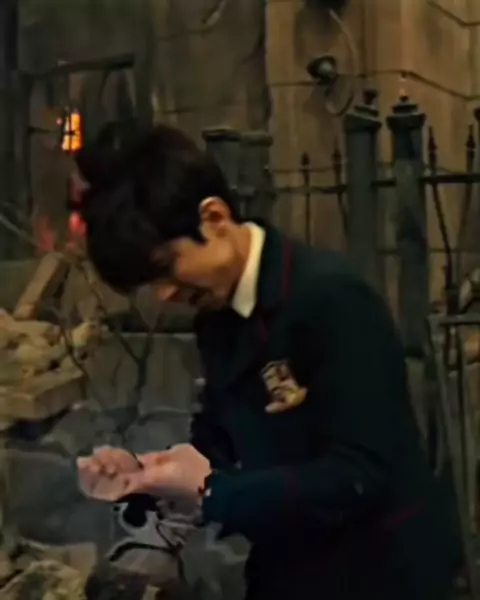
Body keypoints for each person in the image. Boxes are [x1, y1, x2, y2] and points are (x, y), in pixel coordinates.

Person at [75, 124, 461, 600]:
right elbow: (218, 439)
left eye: (165, 268)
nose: (164, 294)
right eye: (148, 285)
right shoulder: (217, 316)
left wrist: (212, 492)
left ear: (214, 217)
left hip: (379, 573)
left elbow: (359, 474)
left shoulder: (331, 298)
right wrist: (146, 474)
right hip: (288, 569)